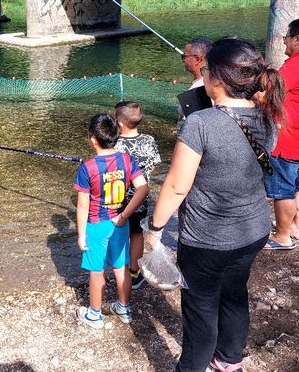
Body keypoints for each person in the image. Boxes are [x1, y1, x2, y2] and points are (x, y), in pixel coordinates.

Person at [146, 37, 284, 372]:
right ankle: (229, 360)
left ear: (218, 80)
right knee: (235, 294)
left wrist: (154, 230)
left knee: (201, 308)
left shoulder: (200, 123)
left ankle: (192, 367)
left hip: (208, 239)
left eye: (205, 70)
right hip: (253, 230)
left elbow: (177, 186)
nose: (202, 76)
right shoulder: (269, 118)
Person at [74, 113, 148, 329]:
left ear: (93, 139)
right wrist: (125, 215)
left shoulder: (87, 167)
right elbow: (143, 188)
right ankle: (124, 309)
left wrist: (81, 234)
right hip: (120, 223)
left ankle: (94, 315)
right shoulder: (126, 159)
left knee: (97, 271)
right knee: (121, 266)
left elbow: (82, 206)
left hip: (96, 225)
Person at [114, 101, 161, 289]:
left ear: (119, 124)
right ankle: (134, 272)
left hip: (118, 199)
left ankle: (119, 270)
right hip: (140, 199)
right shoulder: (149, 140)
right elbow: (154, 165)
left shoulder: (115, 143)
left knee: (118, 233)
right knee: (136, 234)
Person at [264, 19, 299, 250]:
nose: (284, 40)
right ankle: (295, 227)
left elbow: (269, 92)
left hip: (287, 139)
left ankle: (282, 236)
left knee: (283, 190)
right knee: (296, 187)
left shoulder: (293, 66)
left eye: (287, 36)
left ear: (297, 39)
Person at [177, 37, 213, 132]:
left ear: (197, 59)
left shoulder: (196, 91)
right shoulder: (218, 84)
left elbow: (190, 130)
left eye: (184, 56)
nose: (183, 60)